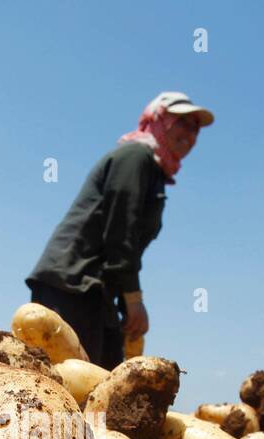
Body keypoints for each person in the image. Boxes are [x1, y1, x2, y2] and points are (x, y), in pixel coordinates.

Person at [25, 92, 213, 368]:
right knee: (66, 382)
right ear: (158, 119)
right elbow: (120, 229)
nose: (190, 133)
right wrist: (134, 300)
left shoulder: (154, 172)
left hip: (97, 292)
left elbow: (124, 247)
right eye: (181, 122)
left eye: (195, 128)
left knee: (108, 381)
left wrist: (128, 307)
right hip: (72, 283)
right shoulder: (136, 156)